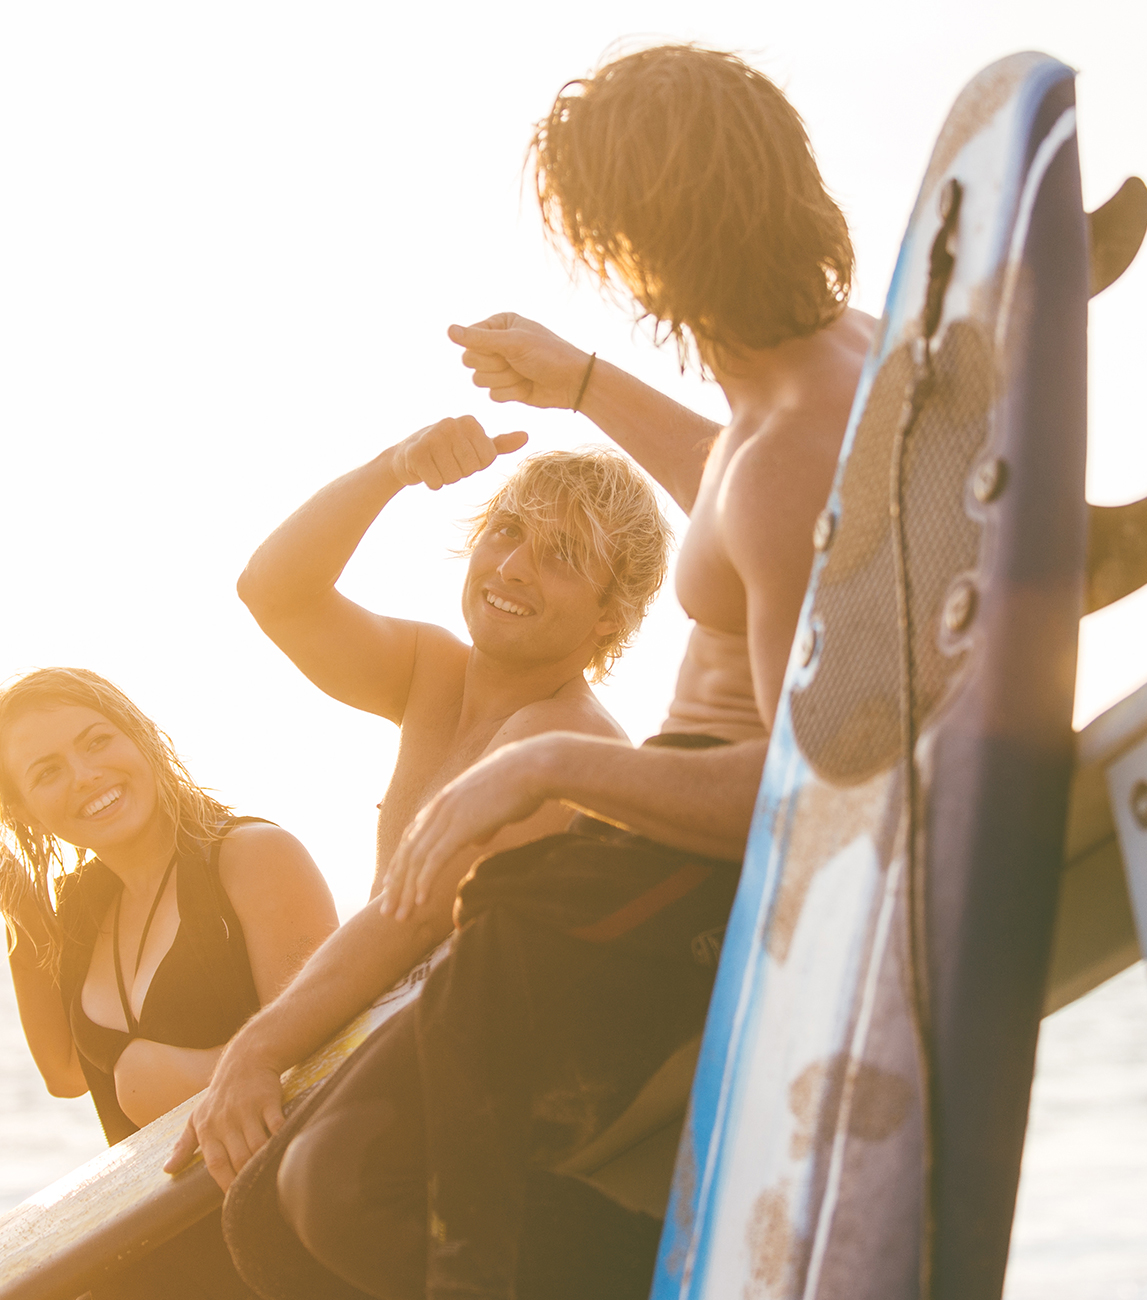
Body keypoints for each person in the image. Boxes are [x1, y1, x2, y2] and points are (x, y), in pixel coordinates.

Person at [212, 43, 877, 1300]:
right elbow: (734, 487)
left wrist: (549, 770)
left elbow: (817, 787)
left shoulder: (788, 442)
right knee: (265, 1213)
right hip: (648, 864)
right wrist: (575, 383)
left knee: (328, 1195)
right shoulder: (820, 367)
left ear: (640, 249)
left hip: (669, 884)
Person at [165, 430, 674, 1192]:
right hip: (394, 1061)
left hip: (487, 1135)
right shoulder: (435, 674)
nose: (511, 567)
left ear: (611, 614)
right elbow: (274, 592)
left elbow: (410, 918)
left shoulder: (566, 741)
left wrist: (256, 1051)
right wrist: (394, 467)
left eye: (561, 555)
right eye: (507, 531)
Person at [0, 666, 340, 1299]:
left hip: (291, 1250)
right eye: (47, 771)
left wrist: (166, 1078)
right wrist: (25, 919)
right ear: (25, 811)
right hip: (159, 1258)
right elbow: (66, 1072)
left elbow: (325, 1062)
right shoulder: (84, 909)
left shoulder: (252, 857)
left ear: (140, 737)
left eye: (96, 742)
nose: (86, 776)